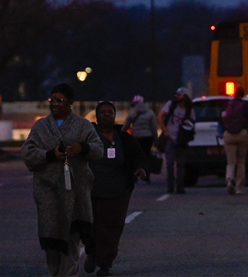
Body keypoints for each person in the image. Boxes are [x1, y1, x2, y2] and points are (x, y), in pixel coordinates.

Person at [22, 83, 103, 277]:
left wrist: (83, 148)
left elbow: (98, 149)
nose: (55, 104)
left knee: (72, 238)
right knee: (51, 240)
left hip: (75, 191)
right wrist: (50, 155)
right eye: (52, 100)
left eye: (59, 100)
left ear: (70, 102)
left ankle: (68, 274)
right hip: (48, 191)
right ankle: (55, 273)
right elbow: (28, 152)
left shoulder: (83, 125)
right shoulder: (41, 126)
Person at [83, 101, 147, 277]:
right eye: (102, 112)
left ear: (114, 116)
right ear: (97, 116)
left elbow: (138, 155)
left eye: (109, 112)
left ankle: (106, 263)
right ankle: (92, 252)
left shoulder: (123, 138)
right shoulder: (88, 136)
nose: (106, 114)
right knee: (90, 225)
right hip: (92, 189)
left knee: (112, 227)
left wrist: (140, 168)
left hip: (118, 189)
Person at [219, 86, 248, 195]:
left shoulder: (226, 105)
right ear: (243, 95)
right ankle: (239, 187)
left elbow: (220, 120)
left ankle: (229, 179)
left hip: (228, 135)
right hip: (242, 133)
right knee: (241, 161)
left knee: (230, 161)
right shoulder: (246, 106)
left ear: (234, 94)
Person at [157, 87, 195, 194]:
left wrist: (186, 127)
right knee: (169, 163)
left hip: (181, 139)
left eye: (179, 95)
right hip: (170, 138)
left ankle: (180, 186)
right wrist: (164, 130)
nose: (177, 97)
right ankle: (170, 186)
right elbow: (160, 116)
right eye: (177, 95)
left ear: (185, 96)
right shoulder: (171, 104)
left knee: (181, 164)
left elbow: (192, 122)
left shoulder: (189, 109)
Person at [122, 95, 157, 160]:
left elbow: (125, 126)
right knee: (146, 154)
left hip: (136, 137)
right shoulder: (150, 113)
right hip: (148, 137)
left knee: (137, 155)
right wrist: (156, 140)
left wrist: (120, 136)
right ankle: (146, 165)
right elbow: (154, 128)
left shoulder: (132, 113)